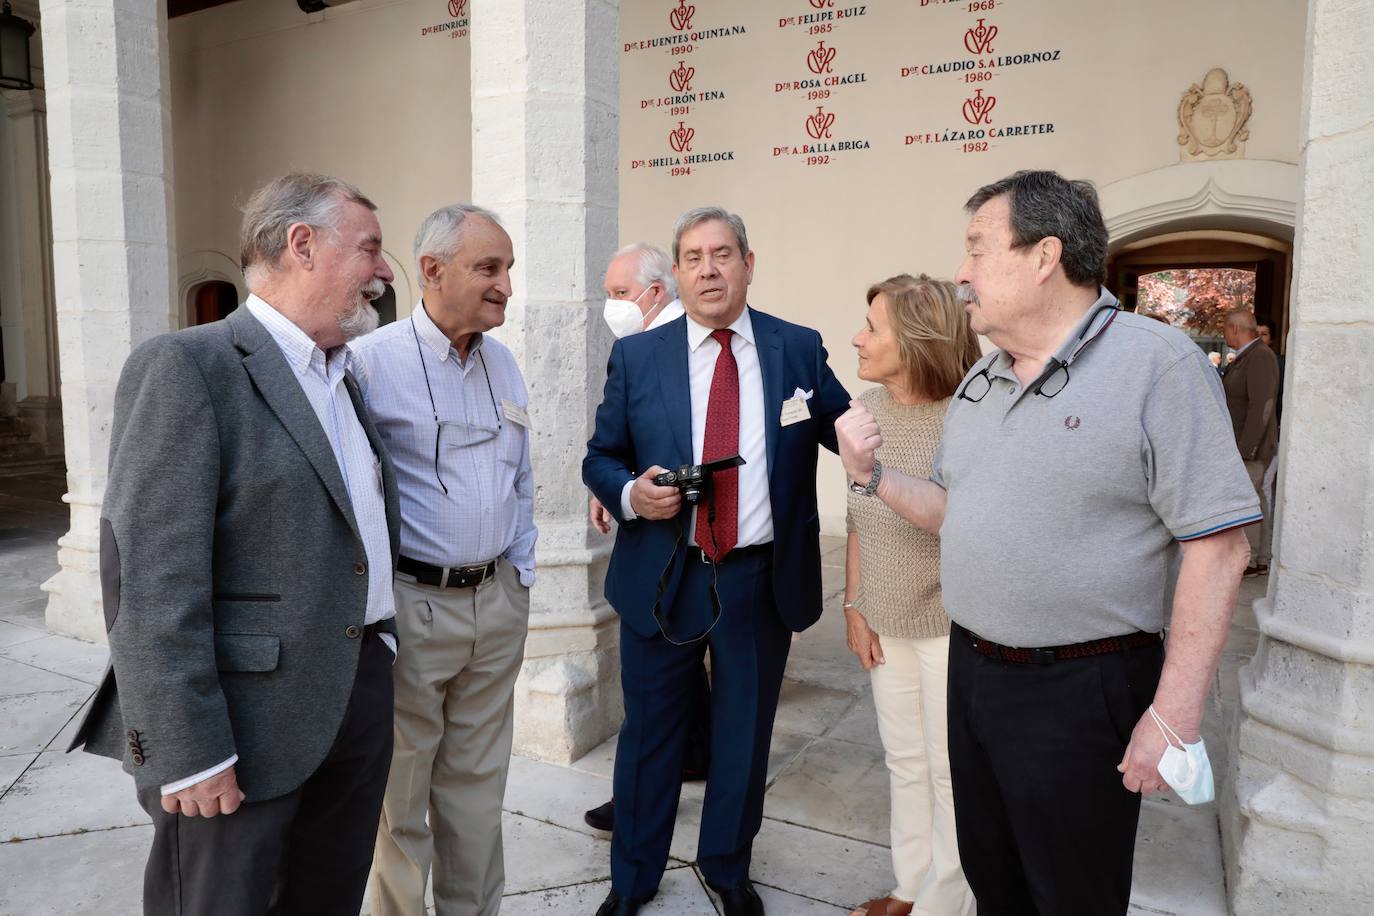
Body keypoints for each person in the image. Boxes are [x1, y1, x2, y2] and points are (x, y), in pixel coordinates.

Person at [836, 170, 1257, 915]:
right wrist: (870, 478)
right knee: (995, 881)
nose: (960, 273)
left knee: (1070, 895)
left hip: (1081, 687)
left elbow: (1219, 546)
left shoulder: (1157, 365)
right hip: (972, 671)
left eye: (976, 249)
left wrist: (1175, 715)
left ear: (1043, 257)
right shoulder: (980, 381)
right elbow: (950, 511)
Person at [68, 172, 400, 915]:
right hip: (239, 726)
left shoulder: (343, 375)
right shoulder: (189, 366)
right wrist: (188, 750)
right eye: (371, 249)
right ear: (302, 244)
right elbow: (147, 580)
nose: (384, 271)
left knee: (327, 896)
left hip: (356, 690)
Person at [583, 206, 851, 916]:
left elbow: (844, 429)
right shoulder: (640, 356)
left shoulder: (796, 348)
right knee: (650, 737)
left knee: (744, 732)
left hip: (758, 576)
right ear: (676, 272)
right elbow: (601, 456)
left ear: (748, 263)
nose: (708, 268)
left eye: (723, 254)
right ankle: (633, 878)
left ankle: (727, 866)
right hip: (663, 573)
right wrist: (631, 493)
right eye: (694, 256)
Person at [352, 204, 536, 916]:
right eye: (489, 268)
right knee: (398, 800)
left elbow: (522, 475)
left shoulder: (505, 362)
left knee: (478, 793)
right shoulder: (371, 365)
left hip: (496, 604)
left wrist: (519, 571)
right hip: (412, 609)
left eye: (507, 270)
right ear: (431, 271)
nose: (505, 287)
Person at [841, 275, 979, 916]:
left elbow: (960, 517)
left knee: (952, 770)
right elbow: (857, 517)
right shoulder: (868, 407)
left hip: (952, 622)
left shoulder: (969, 415)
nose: (857, 338)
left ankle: (945, 902)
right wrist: (855, 604)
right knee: (904, 759)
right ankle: (910, 884)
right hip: (886, 615)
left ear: (918, 340)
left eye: (873, 327)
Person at [584, 243, 707, 835]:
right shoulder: (634, 353)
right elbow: (618, 442)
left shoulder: (703, 346)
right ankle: (670, 772)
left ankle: (667, 775)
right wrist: (618, 487)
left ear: (657, 292)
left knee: (663, 692)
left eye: (618, 294)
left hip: (708, 546)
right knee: (667, 678)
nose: (611, 307)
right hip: (656, 544)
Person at [1222, 308, 1281, 577]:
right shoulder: (1247, 356)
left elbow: (1262, 406)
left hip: (1250, 448)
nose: (1223, 334)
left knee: (1250, 501)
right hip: (1240, 445)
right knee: (1250, 500)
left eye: (1224, 328)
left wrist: (1248, 449)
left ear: (1235, 328)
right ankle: (1254, 558)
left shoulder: (1260, 357)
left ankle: (1253, 559)